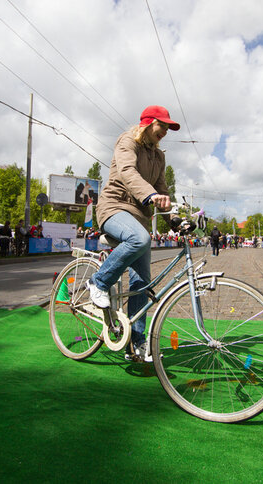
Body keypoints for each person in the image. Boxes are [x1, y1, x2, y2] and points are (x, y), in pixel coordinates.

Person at [86, 105, 178, 363]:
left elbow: (162, 189)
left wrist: (173, 219)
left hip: (139, 218)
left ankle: (136, 344)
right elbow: (128, 172)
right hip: (113, 208)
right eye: (164, 126)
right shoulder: (128, 141)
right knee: (140, 239)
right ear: (149, 123)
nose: (166, 131)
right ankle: (98, 282)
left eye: (169, 127)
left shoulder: (159, 157)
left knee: (141, 283)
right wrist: (149, 195)